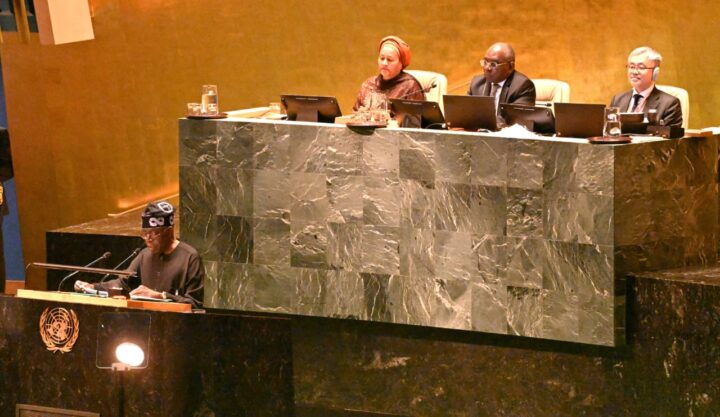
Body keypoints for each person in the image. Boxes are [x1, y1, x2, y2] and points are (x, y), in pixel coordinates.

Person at [75, 201, 204, 308]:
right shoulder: (144, 255)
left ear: (169, 231)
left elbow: (194, 304)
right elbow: (122, 283)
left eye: (154, 233)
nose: (148, 238)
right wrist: (92, 287)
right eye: (145, 233)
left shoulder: (190, 257)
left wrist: (161, 296)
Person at [610, 46, 682, 127]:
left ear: (655, 72)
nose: (634, 72)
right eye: (632, 67)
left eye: (641, 67)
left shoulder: (670, 104)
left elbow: (669, 138)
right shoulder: (618, 100)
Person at [353, 35, 425, 111]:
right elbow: (355, 114)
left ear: (401, 64)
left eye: (390, 60)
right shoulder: (368, 84)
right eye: (382, 58)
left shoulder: (410, 87)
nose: (384, 63)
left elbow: (414, 121)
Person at [468, 42, 536, 107]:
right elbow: (467, 113)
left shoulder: (522, 87)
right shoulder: (476, 83)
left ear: (510, 67)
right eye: (485, 62)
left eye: (494, 64)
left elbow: (517, 117)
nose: (487, 68)